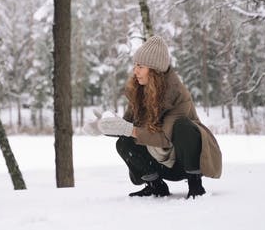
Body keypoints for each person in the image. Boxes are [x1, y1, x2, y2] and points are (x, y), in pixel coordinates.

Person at [83, 35, 222, 199]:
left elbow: (164, 138)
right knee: (123, 142)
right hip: (157, 161)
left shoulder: (178, 95)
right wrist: (103, 126)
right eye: (135, 65)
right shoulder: (139, 91)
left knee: (183, 127)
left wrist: (127, 129)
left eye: (140, 66)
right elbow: (126, 127)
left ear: (155, 71)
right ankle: (156, 186)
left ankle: (195, 184)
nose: (135, 71)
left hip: (182, 162)